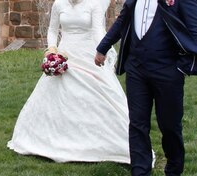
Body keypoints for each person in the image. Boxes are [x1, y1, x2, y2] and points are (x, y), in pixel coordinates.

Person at [94, 0, 197, 176]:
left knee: (169, 125)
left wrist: (181, 67)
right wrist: (102, 47)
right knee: (137, 124)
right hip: (136, 69)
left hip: (168, 70)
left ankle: (173, 172)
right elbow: (122, 21)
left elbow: (196, 30)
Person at [7, 0, 130, 164]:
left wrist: (104, 50)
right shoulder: (59, 4)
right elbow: (52, 29)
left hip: (87, 53)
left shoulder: (94, 4)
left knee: (95, 93)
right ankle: (53, 138)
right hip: (65, 53)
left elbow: (97, 30)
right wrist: (52, 50)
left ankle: (101, 142)